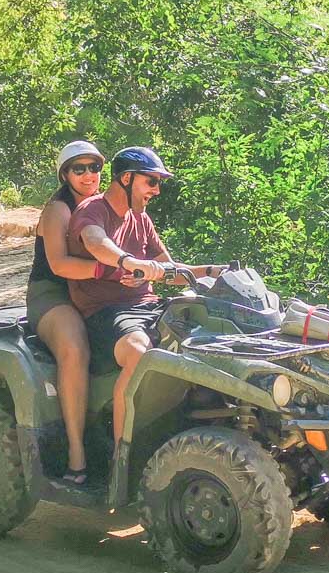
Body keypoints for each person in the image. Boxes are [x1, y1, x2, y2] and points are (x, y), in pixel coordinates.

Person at [67, 146, 225, 446]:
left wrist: (212, 271)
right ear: (126, 178)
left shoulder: (141, 220)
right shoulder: (93, 210)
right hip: (106, 313)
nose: (156, 190)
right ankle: (122, 455)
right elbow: (96, 242)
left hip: (148, 306)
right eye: (151, 181)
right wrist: (129, 261)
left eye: (159, 183)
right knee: (139, 353)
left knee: (213, 332)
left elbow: (170, 269)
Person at [26, 140, 107, 490]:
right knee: (74, 348)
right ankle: (76, 453)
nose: (89, 175)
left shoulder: (108, 206)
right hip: (54, 293)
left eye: (94, 168)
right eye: (80, 169)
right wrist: (112, 270)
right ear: (65, 174)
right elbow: (59, 264)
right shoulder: (58, 210)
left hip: (96, 292)